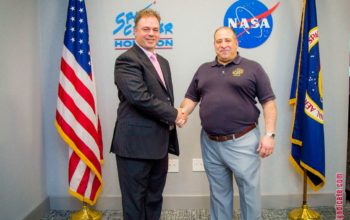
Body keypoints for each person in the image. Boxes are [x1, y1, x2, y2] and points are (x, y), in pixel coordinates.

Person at [179, 27, 277, 220]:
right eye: (219, 41)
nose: (223, 45)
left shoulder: (253, 68)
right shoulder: (203, 69)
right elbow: (191, 98)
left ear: (236, 43)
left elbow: (269, 103)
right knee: (218, 193)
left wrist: (269, 134)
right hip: (210, 142)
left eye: (227, 40)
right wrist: (183, 112)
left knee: (249, 194)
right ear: (214, 45)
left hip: (243, 141)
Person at [110, 9, 186, 220]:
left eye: (155, 29)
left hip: (159, 144)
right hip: (134, 146)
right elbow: (139, 97)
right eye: (146, 29)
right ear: (134, 31)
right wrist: (174, 114)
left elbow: (163, 98)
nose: (151, 33)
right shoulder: (126, 60)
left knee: (154, 198)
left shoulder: (162, 62)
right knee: (134, 202)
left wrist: (175, 114)